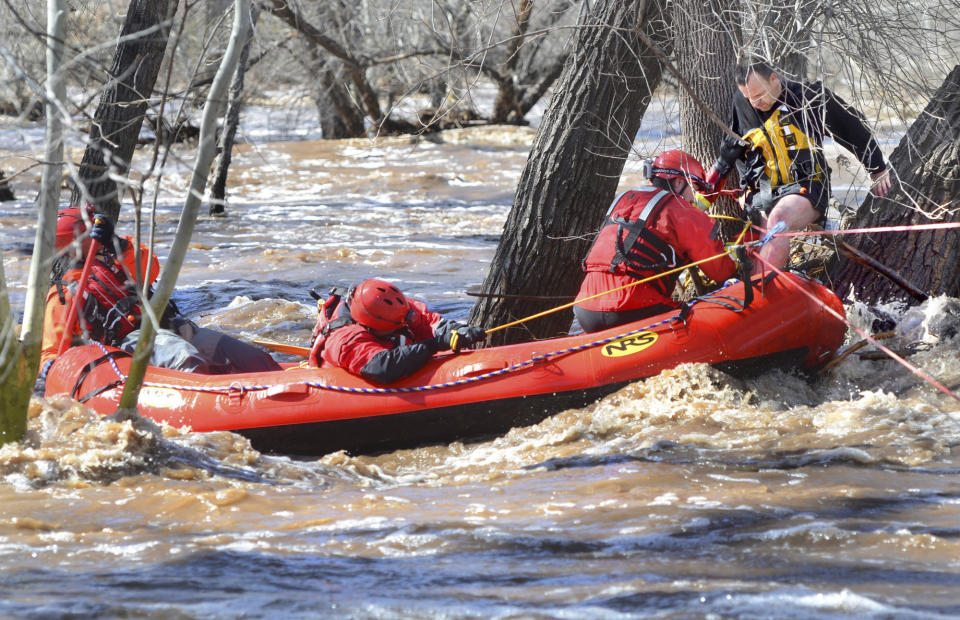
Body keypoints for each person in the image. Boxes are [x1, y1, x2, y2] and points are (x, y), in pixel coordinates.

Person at [39, 205, 281, 380]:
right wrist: (50, 365)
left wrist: (116, 243)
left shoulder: (121, 258)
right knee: (187, 361)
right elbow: (51, 349)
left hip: (175, 327)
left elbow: (150, 267)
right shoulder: (64, 294)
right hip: (130, 343)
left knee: (253, 360)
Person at [705, 57, 891, 270]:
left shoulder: (808, 97)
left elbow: (853, 127)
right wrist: (744, 189)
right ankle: (756, 292)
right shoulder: (743, 102)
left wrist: (877, 169)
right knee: (758, 243)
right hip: (766, 192)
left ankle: (760, 297)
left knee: (779, 220)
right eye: (749, 98)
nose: (755, 103)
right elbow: (736, 145)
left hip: (808, 187)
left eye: (758, 95)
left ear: (774, 79)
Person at [573, 150, 740, 333]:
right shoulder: (681, 210)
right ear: (678, 182)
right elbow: (722, 271)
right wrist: (742, 251)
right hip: (633, 307)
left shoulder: (627, 199)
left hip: (585, 309)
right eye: (694, 188)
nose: (694, 198)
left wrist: (722, 166)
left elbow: (674, 216)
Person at [308, 278, 486, 384]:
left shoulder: (395, 306)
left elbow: (431, 324)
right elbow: (382, 367)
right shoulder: (346, 338)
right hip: (346, 381)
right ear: (372, 325)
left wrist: (460, 331)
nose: (404, 324)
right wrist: (435, 345)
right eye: (397, 324)